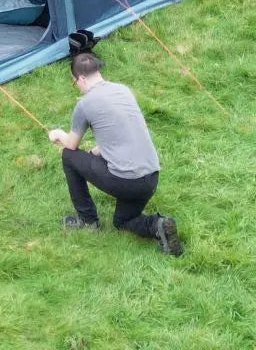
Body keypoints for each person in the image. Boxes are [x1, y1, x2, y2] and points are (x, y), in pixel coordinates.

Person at [48, 52, 184, 256]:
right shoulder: (123, 90)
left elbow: (72, 145)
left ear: (81, 78)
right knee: (123, 221)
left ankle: (87, 221)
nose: (76, 86)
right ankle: (160, 226)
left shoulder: (84, 104)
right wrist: (100, 150)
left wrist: (57, 134)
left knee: (69, 156)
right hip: (150, 178)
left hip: (127, 181)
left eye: (74, 82)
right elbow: (126, 129)